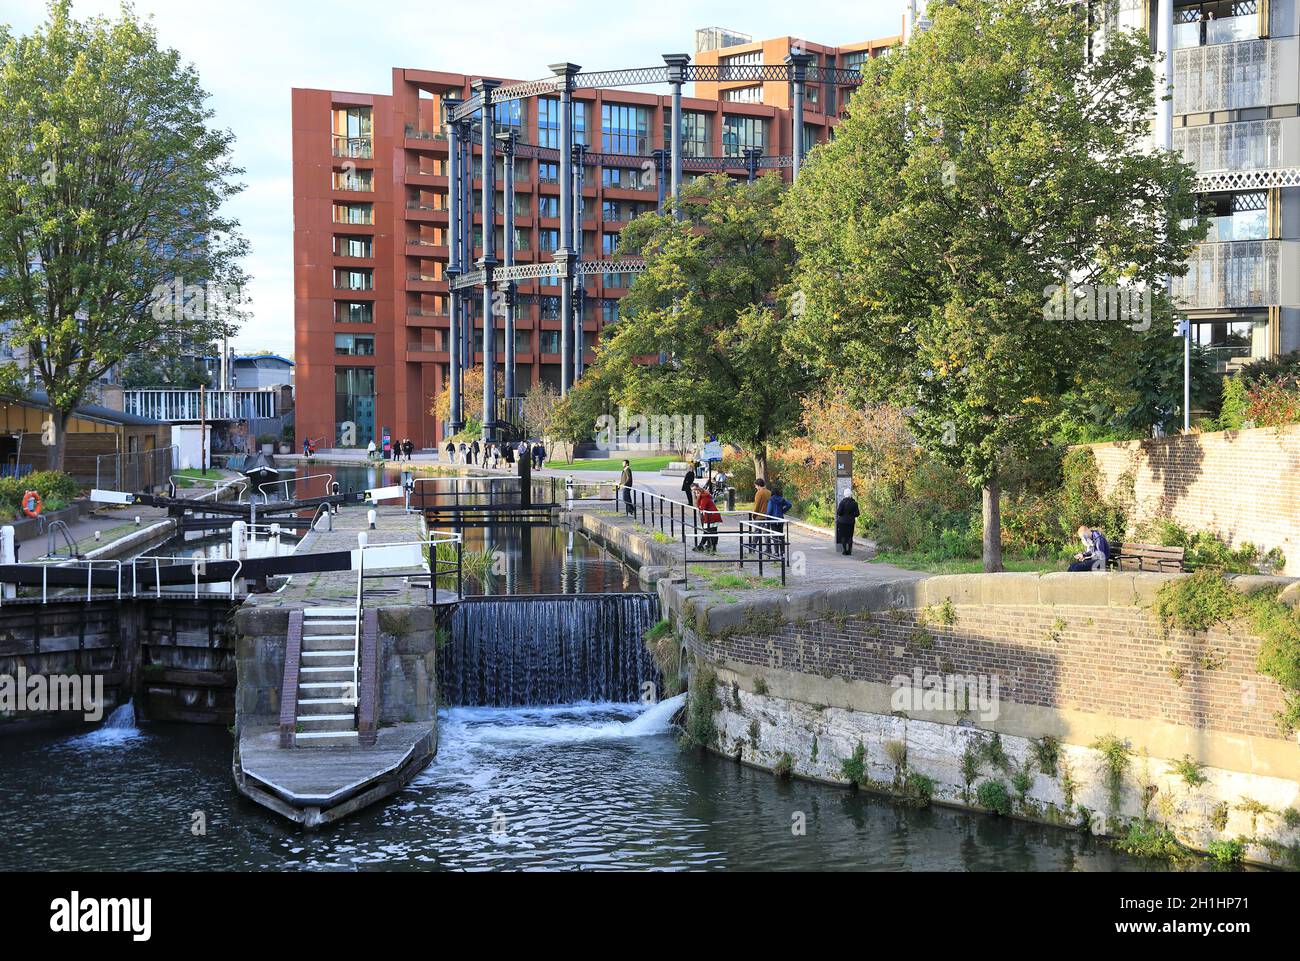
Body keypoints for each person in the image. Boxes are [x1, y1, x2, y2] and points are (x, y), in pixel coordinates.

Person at [694, 479, 721, 553]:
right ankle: (707, 546)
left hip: (711, 517)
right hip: (712, 516)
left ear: (699, 492)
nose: (696, 494)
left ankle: (705, 546)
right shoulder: (704, 496)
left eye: (696, 493)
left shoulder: (704, 497)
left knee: (709, 531)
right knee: (711, 531)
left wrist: (698, 501)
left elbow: (702, 507)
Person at [767, 485, 792, 557]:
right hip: (780, 518)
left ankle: (776, 552)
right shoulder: (782, 499)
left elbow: (769, 510)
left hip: (773, 520)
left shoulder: (771, 499)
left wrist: (767, 518)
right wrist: (783, 511)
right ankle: (782, 551)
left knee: (774, 536)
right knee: (781, 534)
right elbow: (789, 505)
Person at [835, 489, 860, 556]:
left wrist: (843, 515)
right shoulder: (854, 503)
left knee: (843, 536)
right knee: (850, 536)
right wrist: (852, 515)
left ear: (844, 495)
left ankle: (844, 551)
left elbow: (838, 512)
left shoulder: (842, 502)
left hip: (842, 522)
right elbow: (857, 514)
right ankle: (849, 551)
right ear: (850, 495)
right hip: (851, 522)